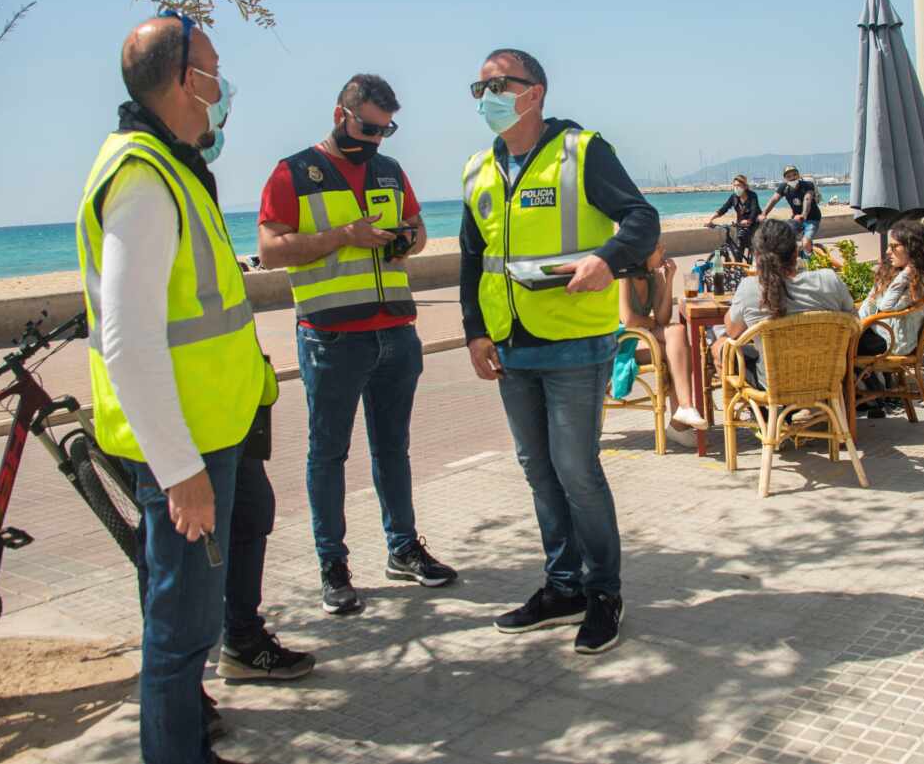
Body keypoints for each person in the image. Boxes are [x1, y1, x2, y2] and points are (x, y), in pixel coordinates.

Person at [77, 15, 267, 764]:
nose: (224, 86)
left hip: (209, 433)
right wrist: (179, 468)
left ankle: (187, 745)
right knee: (180, 631)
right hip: (181, 449)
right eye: (215, 68)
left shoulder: (172, 165)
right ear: (188, 80)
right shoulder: (142, 179)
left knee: (191, 625)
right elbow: (129, 342)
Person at [460, 47, 659, 655]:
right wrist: (474, 329)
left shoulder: (582, 151)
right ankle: (563, 584)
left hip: (575, 342)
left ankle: (604, 593)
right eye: (480, 87)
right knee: (539, 471)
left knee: (576, 471)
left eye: (501, 84)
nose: (489, 96)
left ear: (535, 92)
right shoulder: (477, 170)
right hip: (511, 345)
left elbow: (641, 219)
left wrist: (607, 258)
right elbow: (474, 259)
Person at [258, 73, 456, 616]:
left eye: (386, 130)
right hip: (331, 336)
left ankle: (403, 548)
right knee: (328, 454)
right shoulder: (293, 172)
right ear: (339, 113)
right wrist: (343, 237)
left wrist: (405, 241)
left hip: (394, 330)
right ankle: (333, 565)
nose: (375, 140)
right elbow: (271, 250)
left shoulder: (389, 170)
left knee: (393, 449)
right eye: (368, 127)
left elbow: (418, 231)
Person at [716, 219, 853, 388]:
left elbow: (732, 331)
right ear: (796, 253)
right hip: (826, 377)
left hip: (774, 384)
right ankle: (807, 406)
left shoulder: (750, 288)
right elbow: (853, 324)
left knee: (720, 345)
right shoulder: (829, 280)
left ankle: (764, 410)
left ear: (757, 257)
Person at [853, 220, 924, 417]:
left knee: (835, 346)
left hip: (894, 342)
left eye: (894, 247)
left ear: (912, 248)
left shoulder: (922, 278)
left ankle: (852, 403)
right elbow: (871, 303)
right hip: (881, 334)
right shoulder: (899, 273)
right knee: (837, 340)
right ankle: (868, 397)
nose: (888, 252)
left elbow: (886, 306)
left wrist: (906, 273)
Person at [618, 243, 705, 439]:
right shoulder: (623, 275)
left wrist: (669, 279)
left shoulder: (652, 275)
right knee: (680, 352)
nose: (663, 252)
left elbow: (663, 318)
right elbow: (628, 320)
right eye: (658, 248)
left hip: (642, 335)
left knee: (677, 332)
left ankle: (685, 408)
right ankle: (678, 424)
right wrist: (649, 322)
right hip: (620, 340)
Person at [760, 165, 822, 256]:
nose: (792, 178)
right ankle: (795, 257)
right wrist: (764, 213)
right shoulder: (784, 187)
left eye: (794, 175)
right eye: (788, 176)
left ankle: (810, 263)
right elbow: (774, 199)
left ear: (798, 175)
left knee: (805, 242)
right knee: (783, 237)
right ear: (785, 178)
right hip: (796, 219)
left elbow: (807, 199)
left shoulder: (807, 185)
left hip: (812, 218)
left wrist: (803, 215)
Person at [705, 174, 762, 259]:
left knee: (754, 247)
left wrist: (749, 221)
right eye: (734, 185)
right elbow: (723, 209)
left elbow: (754, 210)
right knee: (739, 248)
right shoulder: (734, 197)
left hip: (754, 224)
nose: (736, 188)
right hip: (740, 225)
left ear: (745, 186)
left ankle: (755, 264)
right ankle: (738, 267)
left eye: (739, 185)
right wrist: (711, 219)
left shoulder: (752, 195)